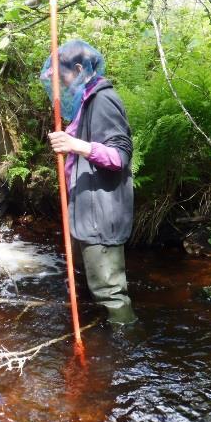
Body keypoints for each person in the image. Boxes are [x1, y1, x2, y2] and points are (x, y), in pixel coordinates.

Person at [40, 40, 137, 325]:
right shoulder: (86, 101)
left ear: (80, 69)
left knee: (110, 293)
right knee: (90, 286)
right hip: (86, 211)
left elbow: (119, 156)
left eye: (63, 75)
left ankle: (124, 346)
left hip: (101, 216)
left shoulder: (103, 100)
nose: (59, 83)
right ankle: (100, 336)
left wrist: (75, 144)